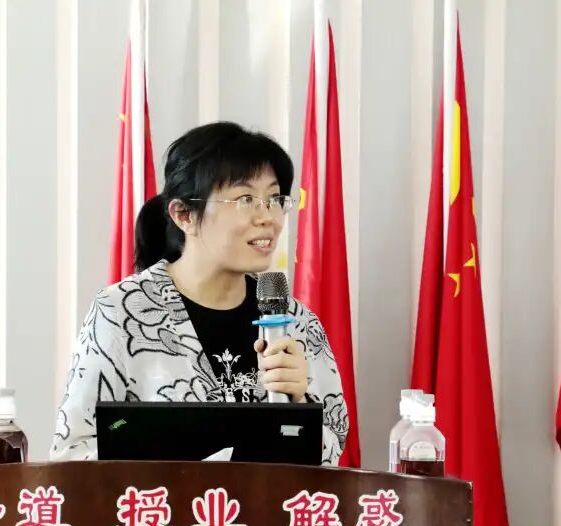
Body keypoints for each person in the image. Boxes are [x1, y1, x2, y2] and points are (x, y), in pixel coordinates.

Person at [49, 121, 350, 465]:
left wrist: (300, 406)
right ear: (184, 215)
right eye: (246, 199)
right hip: (160, 501)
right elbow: (71, 454)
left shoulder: (296, 322)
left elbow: (334, 453)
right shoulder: (120, 312)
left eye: (274, 199)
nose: (268, 218)